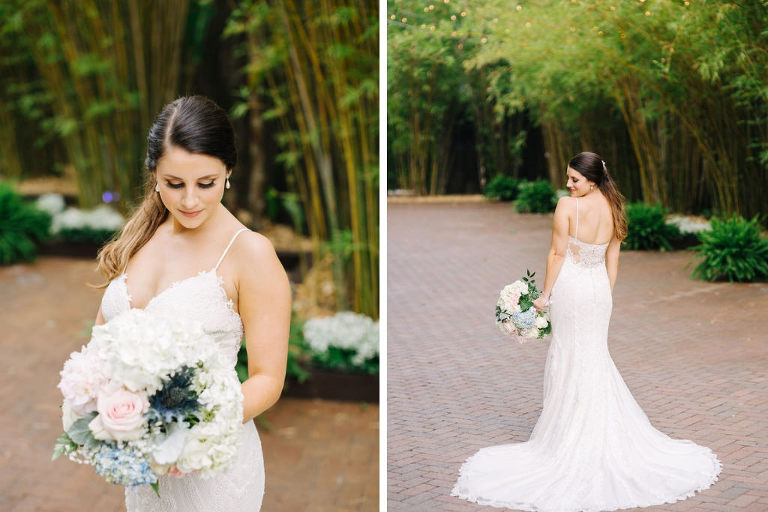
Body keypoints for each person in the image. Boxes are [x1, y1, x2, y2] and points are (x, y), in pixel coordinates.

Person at [452, 152, 721, 511]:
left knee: (568, 356)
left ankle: (569, 438)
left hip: (572, 289)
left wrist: (544, 297)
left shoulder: (567, 206)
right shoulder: (613, 206)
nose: (568, 184)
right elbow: (613, 259)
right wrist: (605, 295)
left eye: (574, 179)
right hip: (598, 293)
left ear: (591, 179)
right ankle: (596, 432)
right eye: (568, 179)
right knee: (593, 356)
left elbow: (556, 254)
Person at [93, 95, 290, 511]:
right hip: (147, 475)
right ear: (154, 174)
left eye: (206, 183)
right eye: (174, 184)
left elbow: (268, 379)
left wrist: (189, 428)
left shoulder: (250, 253)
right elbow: (102, 341)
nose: (189, 201)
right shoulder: (139, 237)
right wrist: (104, 407)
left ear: (228, 172)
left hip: (212, 471)